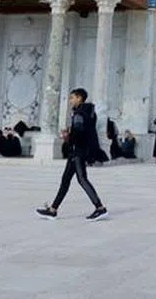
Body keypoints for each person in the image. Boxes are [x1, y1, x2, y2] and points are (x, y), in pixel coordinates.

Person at [35, 88, 108, 222]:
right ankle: (53, 210)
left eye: (72, 98)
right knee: (65, 181)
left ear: (79, 98)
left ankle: (100, 208)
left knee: (82, 179)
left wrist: (68, 137)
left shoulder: (79, 113)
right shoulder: (89, 113)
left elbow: (79, 133)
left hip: (77, 152)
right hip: (79, 151)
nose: (70, 101)